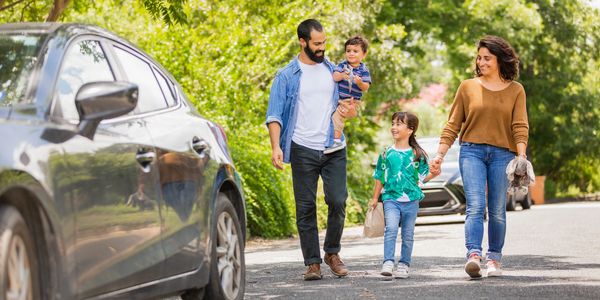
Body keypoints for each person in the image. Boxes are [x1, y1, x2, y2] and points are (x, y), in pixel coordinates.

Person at [265, 19, 357, 281]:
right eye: (317, 44)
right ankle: (313, 262)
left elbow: (350, 105)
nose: (322, 48)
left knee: (338, 200)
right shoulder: (286, 76)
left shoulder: (334, 70)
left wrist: (350, 111)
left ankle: (332, 252)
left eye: (324, 43)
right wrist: (275, 147)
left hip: (334, 147)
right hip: (302, 146)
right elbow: (274, 115)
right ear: (302, 42)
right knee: (305, 207)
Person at [431, 35, 529, 278]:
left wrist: (521, 157)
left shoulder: (516, 90)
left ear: (499, 60)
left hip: (502, 154)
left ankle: (494, 259)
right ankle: (474, 256)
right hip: (471, 151)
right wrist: (439, 156)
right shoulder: (467, 87)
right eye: (479, 57)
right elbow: (453, 124)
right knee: (475, 206)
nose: (482, 62)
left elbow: (520, 125)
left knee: (497, 209)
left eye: (487, 58)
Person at [371, 112, 439, 278]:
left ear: (410, 130)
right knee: (391, 229)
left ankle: (404, 264)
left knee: (408, 235)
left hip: (411, 201)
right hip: (391, 199)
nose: (394, 127)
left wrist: (434, 174)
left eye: (399, 124)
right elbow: (379, 176)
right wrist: (374, 198)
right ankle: (388, 262)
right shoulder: (386, 153)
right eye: (393, 123)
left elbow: (422, 178)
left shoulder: (417, 154)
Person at [324, 36, 372, 154]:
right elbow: (335, 76)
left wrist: (360, 82)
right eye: (348, 51)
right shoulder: (342, 65)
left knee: (337, 117)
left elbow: (366, 87)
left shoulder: (363, 70)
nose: (351, 54)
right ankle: (330, 138)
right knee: (329, 116)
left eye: (355, 51)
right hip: (338, 99)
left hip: (351, 101)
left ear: (363, 54)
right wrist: (341, 76)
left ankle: (336, 141)